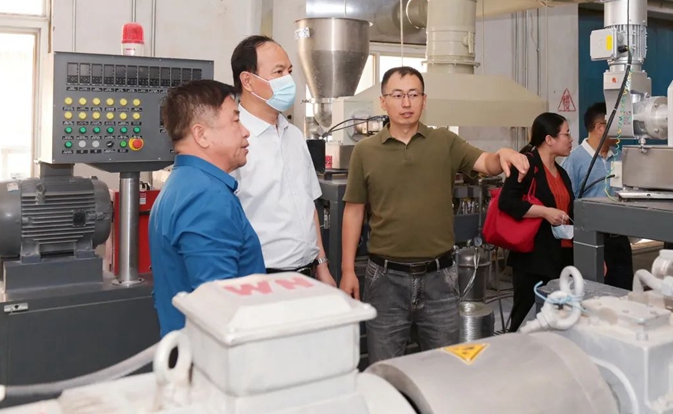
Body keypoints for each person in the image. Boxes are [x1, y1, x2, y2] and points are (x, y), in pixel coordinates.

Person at [339, 66, 530, 364]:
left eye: (413, 94)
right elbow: (353, 211)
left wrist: (502, 154)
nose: (406, 103)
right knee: (385, 369)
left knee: (445, 369)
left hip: (439, 279)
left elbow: (485, 162)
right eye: (397, 95)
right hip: (385, 280)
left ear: (424, 100)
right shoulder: (365, 151)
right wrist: (348, 270)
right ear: (383, 102)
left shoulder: (445, 142)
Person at [149, 79, 265, 336]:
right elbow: (220, 311)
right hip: (214, 355)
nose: (245, 131)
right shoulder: (207, 198)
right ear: (201, 135)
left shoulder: (183, 184)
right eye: (236, 120)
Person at [229, 35, 336, 286]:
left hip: (306, 275)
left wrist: (321, 265)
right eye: (278, 72)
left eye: (289, 71)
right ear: (248, 81)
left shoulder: (294, 135)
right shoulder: (232, 139)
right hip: (258, 278)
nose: (288, 79)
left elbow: (308, 205)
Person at [498, 112, 575, 332]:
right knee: (525, 319)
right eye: (566, 134)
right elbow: (507, 201)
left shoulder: (562, 173)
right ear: (549, 139)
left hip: (561, 258)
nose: (571, 139)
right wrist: (544, 212)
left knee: (557, 320)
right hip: (532, 258)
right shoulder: (526, 165)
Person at [562, 102, 633, 290]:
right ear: (600, 127)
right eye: (617, 126)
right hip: (592, 238)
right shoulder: (574, 160)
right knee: (596, 294)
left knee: (624, 292)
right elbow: (568, 205)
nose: (621, 132)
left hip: (620, 238)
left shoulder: (620, 157)